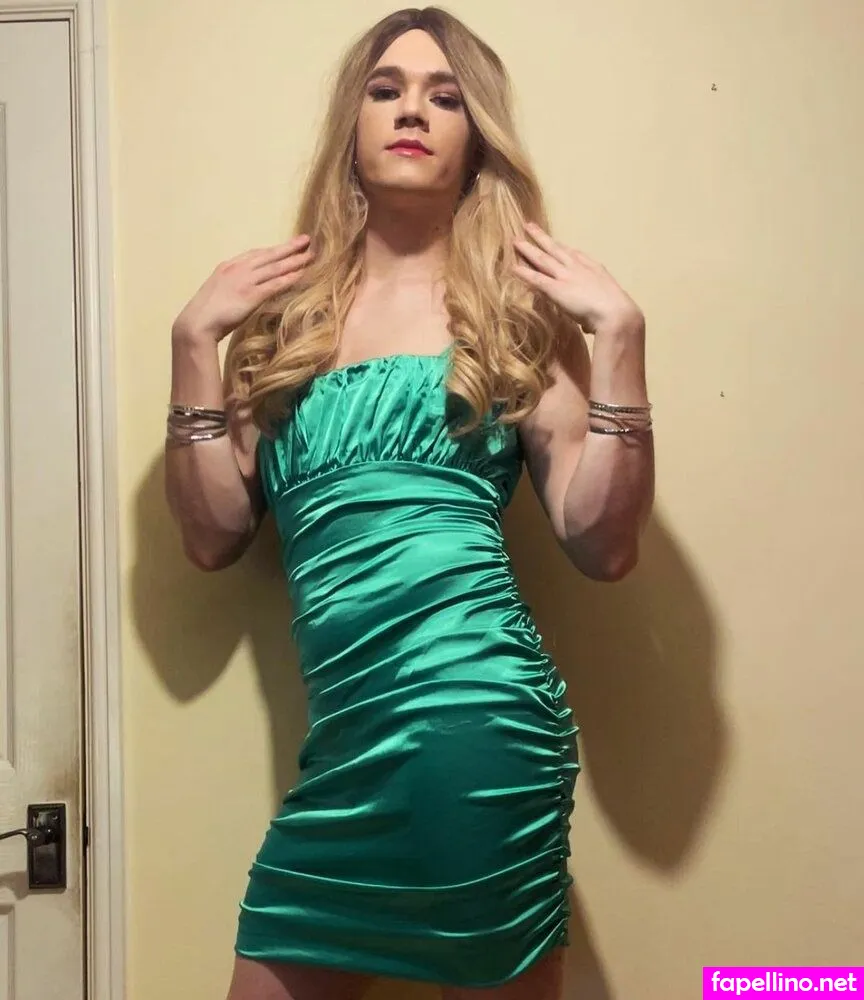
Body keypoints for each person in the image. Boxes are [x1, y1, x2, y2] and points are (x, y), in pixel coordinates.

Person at [165, 7, 654, 999]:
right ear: (351, 124)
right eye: (385, 90)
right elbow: (213, 537)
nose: (412, 112)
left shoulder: (513, 318)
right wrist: (191, 345)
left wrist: (621, 339)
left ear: (477, 137)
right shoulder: (284, 324)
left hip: (477, 720)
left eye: (446, 96)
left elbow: (602, 547)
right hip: (345, 747)